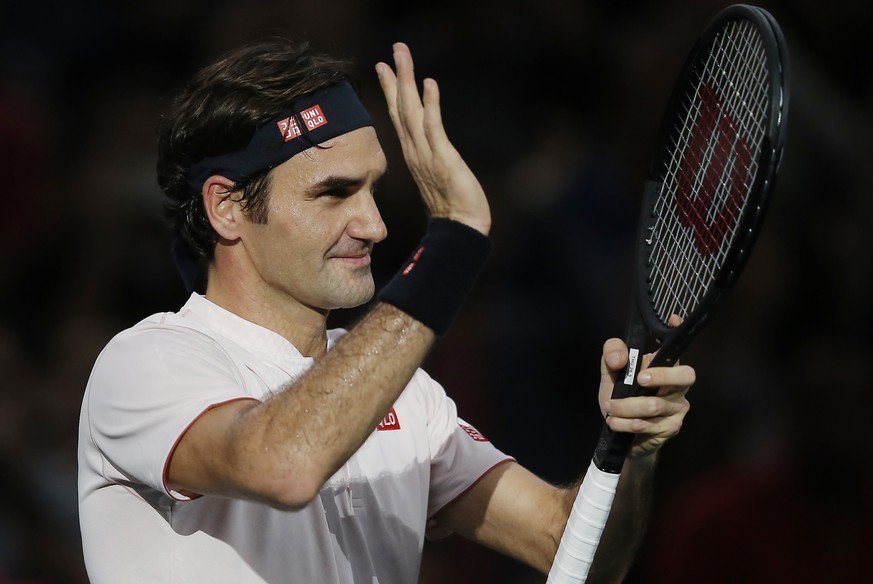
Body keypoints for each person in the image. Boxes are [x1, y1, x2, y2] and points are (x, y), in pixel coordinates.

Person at [77, 38, 694, 584]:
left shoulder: (404, 392)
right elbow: (285, 464)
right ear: (227, 207)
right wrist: (451, 245)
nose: (373, 225)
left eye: (373, 189)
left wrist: (629, 448)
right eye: (334, 193)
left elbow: (574, 552)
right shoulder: (145, 362)